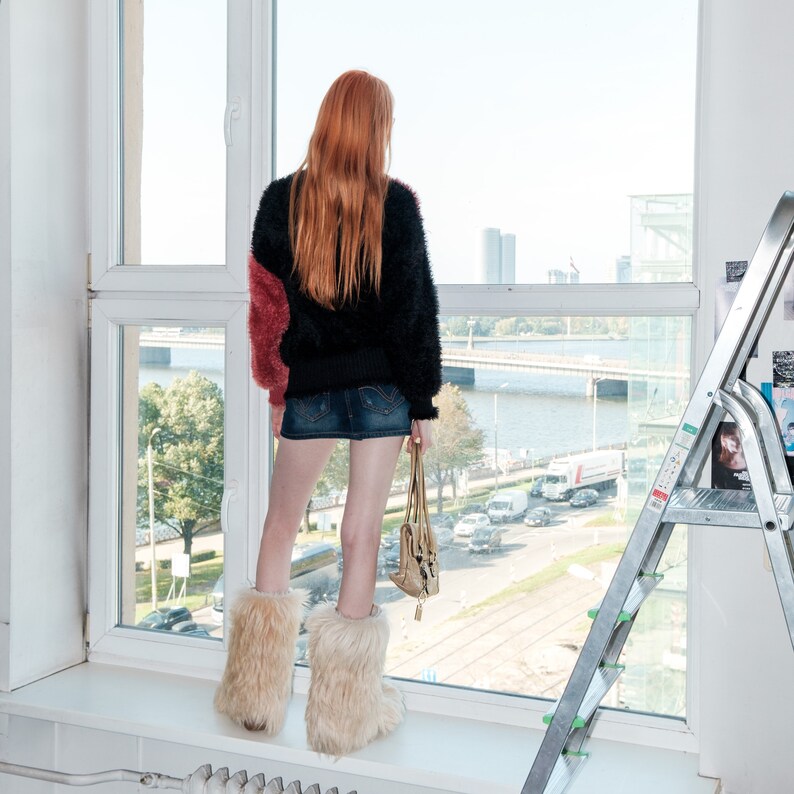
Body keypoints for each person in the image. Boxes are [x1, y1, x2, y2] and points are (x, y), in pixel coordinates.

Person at [214, 70, 442, 756]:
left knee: (280, 526)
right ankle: (342, 719)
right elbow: (412, 313)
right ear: (376, 129)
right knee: (359, 535)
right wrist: (422, 402)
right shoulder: (396, 204)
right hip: (382, 390)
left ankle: (255, 700)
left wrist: (276, 387)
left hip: (310, 388)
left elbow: (266, 311)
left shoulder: (279, 201)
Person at [711, 422, 750, 490]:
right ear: (724, 441)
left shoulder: (753, 464)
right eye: (734, 438)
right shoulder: (714, 466)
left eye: (742, 438)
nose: (740, 442)